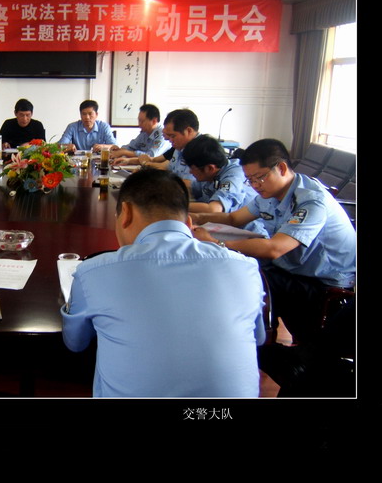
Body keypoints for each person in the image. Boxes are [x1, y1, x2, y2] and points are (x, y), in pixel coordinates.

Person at [61, 169, 266, 397]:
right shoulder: (247, 268)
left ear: (125, 212)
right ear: (188, 222)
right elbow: (258, 338)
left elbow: (75, 343)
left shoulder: (94, 271)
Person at [190, 138, 356, 344]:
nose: (254, 185)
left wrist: (215, 242)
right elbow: (233, 218)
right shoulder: (270, 194)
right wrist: (194, 217)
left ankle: (257, 344)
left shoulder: (311, 201)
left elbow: (275, 249)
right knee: (242, 268)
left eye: (259, 178)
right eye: (250, 180)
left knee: (250, 279)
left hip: (323, 282)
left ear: (282, 168)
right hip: (295, 268)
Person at [112, 108, 199, 186]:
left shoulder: (199, 149)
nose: (169, 140)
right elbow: (167, 168)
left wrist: (151, 178)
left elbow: (189, 185)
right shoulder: (180, 147)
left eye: (172, 136)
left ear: (189, 131)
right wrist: (145, 172)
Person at [182, 134, 258, 214]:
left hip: (246, 221)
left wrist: (176, 206)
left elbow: (214, 209)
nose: (190, 172)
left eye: (192, 168)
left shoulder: (232, 177)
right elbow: (192, 186)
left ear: (210, 168)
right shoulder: (211, 174)